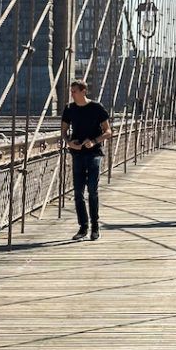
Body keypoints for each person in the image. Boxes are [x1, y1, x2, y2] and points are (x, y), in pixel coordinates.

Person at [61, 79, 111, 241]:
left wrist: (94, 141)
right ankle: (83, 227)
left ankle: (95, 226)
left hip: (94, 153)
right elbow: (63, 131)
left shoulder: (97, 108)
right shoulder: (69, 109)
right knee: (77, 192)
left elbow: (108, 131)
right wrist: (69, 143)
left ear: (84, 91)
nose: (72, 94)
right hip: (77, 154)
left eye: (74, 91)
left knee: (92, 190)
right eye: (71, 91)